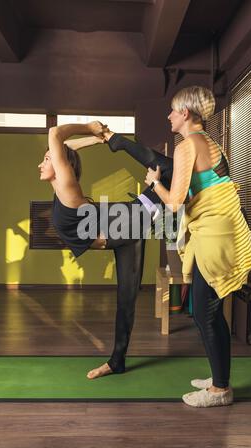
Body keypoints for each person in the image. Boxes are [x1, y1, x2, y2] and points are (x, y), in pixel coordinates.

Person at [144, 86, 251, 407]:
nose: (168, 116)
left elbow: (177, 203)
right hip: (222, 229)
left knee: (205, 315)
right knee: (209, 313)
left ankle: (221, 390)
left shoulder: (186, 147)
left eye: (172, 110)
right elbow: (209, 189)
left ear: (185, 114)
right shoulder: (210, 142)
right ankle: (219, 377)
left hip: (213, 235)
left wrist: (155, 184)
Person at [38, 121, 175, 379]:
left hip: (126, 223)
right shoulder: (58, 188)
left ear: (59, 165)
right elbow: (65, 146)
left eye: (47, 159)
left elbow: (56, 135)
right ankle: (117, 361)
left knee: (169, 170)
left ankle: (120, 142)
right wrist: (98, 139)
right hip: (124, 232)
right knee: (126, 302)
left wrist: (90, 128)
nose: (41, 163)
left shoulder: (66, 183)